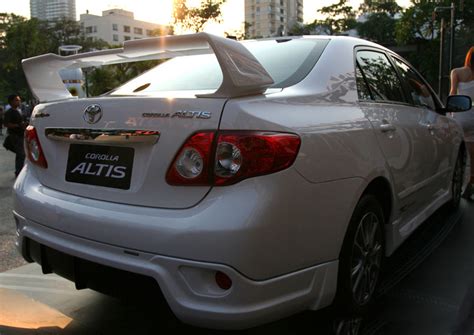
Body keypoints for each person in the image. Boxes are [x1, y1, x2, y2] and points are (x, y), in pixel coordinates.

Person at [450, 46, 474, 199]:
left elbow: (452, 93)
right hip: (473, 118)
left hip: (460, 117)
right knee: (473, 156)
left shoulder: (456, 72)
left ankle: (453, 186)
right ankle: (471, 183)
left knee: (454, 152)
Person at [3, 94, 26, 177]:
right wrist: (18, 125)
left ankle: (19, 170)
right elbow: (6, 124)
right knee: (21, 154)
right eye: (16, 100)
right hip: (15, 135)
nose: (19, 101)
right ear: (11, 102)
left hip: (21, 134)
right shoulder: (9, 112)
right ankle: (19, 172)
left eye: (19, 100)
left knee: (20, 154)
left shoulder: (18, 110)